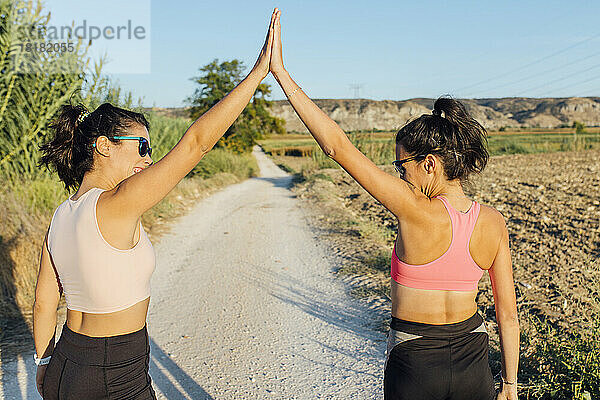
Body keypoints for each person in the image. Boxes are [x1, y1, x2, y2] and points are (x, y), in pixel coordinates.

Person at [268, 10, 519, 400]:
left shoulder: (413, 207)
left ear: (430, 164)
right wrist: (510, 385)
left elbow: (337, 147)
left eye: (402, 165)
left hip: (415, 361)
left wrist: (281, 74)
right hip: (474, 361)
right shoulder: (493, 222)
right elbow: (507, 314)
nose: (399, 176)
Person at [32, 9, 278, 399]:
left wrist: (43, 366)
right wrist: (256, 76)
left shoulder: (62, 214)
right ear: (103, 146)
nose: (148, 159)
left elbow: (45, 302)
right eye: (141, 146)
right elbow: (196, 143)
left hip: (65, 365)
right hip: (116, 371)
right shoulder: (118, 203)